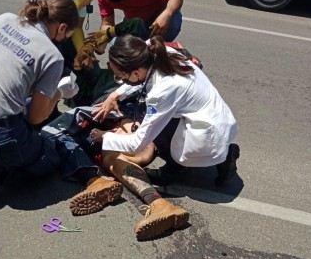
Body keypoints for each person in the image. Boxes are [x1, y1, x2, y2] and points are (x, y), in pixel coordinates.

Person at [0, 0, 123, 212]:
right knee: (49, 156)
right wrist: (61, 92)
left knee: (20, 113)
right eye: (66, 36)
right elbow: (37, 117)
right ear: (62, 28)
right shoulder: (52, 55)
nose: (63, 40)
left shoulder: (3, 19)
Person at [88, 35, 240, 241]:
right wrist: (116, 95)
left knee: (148, 119)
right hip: (215, 118)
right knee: (150, 116)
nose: (120, 81)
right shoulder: (154, 51)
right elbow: (139, 79)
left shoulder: (163, 91)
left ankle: (181, 168)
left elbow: (138, 142)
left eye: (120, 76)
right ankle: (223, 156)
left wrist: (104, 137)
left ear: (135, 72)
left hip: (206, 135)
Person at [30, 0, 106, 77]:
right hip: (43, 29)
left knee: (91, 71)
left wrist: (82, 53)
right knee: (56, 68)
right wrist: (78, 3)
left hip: (66, 30)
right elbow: (50, 19)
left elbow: (77, 26)